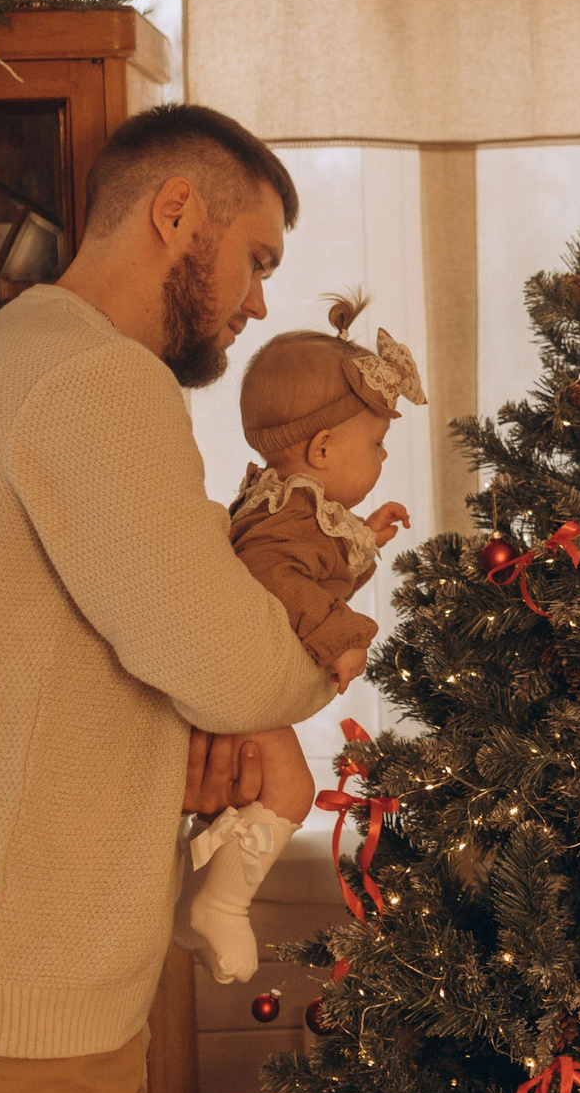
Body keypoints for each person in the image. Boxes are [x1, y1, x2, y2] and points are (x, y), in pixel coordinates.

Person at [0, 103, 342, 1093]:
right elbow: (234, 663)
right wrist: (315, 652)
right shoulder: (96, 381)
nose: (260, 299)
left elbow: (154, 625)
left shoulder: (25, 357)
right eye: (255, 257)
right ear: (177, 212)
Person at [175, 294, 422, 984]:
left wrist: (366, 532)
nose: (378, 458)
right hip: (236, 685)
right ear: (321, 450)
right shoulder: (282, 521)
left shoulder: (291, 505)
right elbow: (274, 575)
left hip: (234, 681)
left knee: (255, 791)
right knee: (289, 789)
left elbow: (311, 558)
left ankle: (202, 895)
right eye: (374, 445)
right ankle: (222, 903)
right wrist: (341, 636)